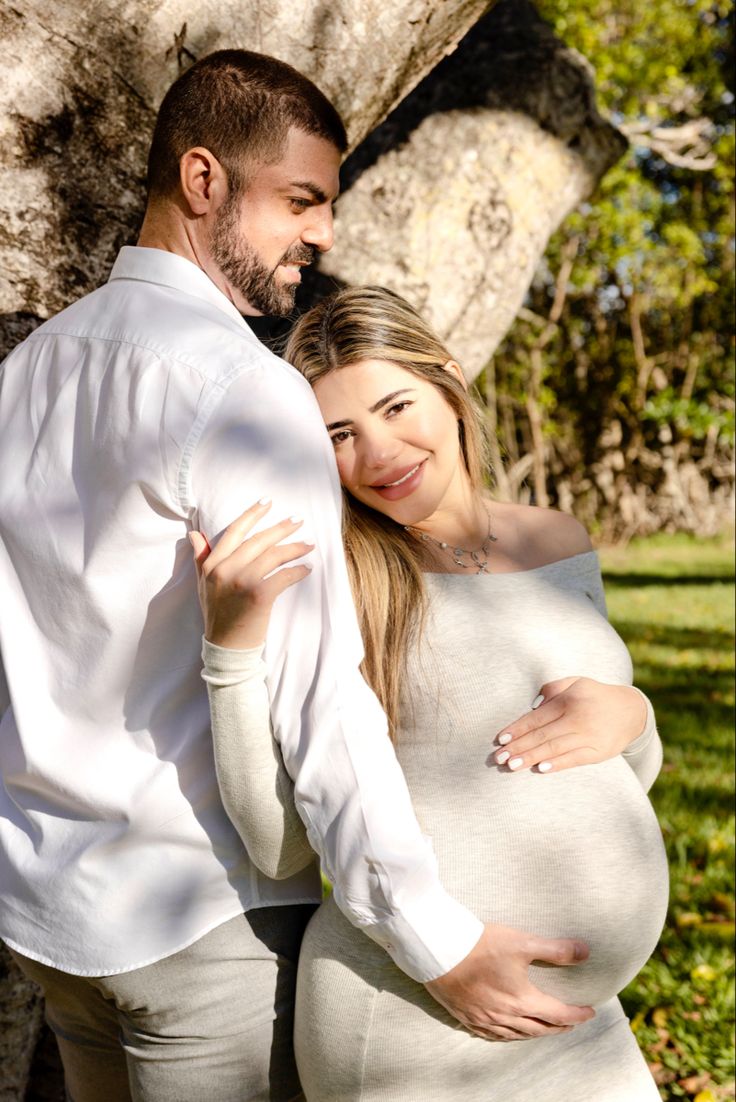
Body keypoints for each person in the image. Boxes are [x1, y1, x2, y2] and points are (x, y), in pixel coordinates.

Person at [0, 51, 598, 1102]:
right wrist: (436, 941)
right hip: (198, 922)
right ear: (202, 181)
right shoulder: (242, 390)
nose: (320, 233)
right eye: (300, 200)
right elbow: (321, 704)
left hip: (45, 916)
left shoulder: (26, 373)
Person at [191, 286, 669, 1101]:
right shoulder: (336, 577)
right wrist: (231, 649)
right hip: (414, 1015)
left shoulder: (555, 537)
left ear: (449, 383)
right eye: (339, 434)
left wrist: (636, 716)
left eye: (395, 405)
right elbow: (280, 848)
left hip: (582, 1026)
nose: (378, 452)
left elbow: (614, 767)